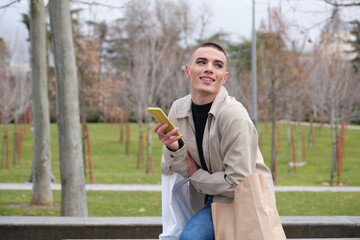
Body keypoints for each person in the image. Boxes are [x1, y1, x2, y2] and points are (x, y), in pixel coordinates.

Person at [153, 42, 274, 240]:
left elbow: (237, 184)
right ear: (188, 71)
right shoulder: (178, 109)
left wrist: (195, 175)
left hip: (241, 202)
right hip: (203, 199)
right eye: (202, 62)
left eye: (217, 65)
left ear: (224, 77)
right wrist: (173, 148)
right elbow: (172, 168)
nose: (209, 68)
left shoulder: (234, 116)